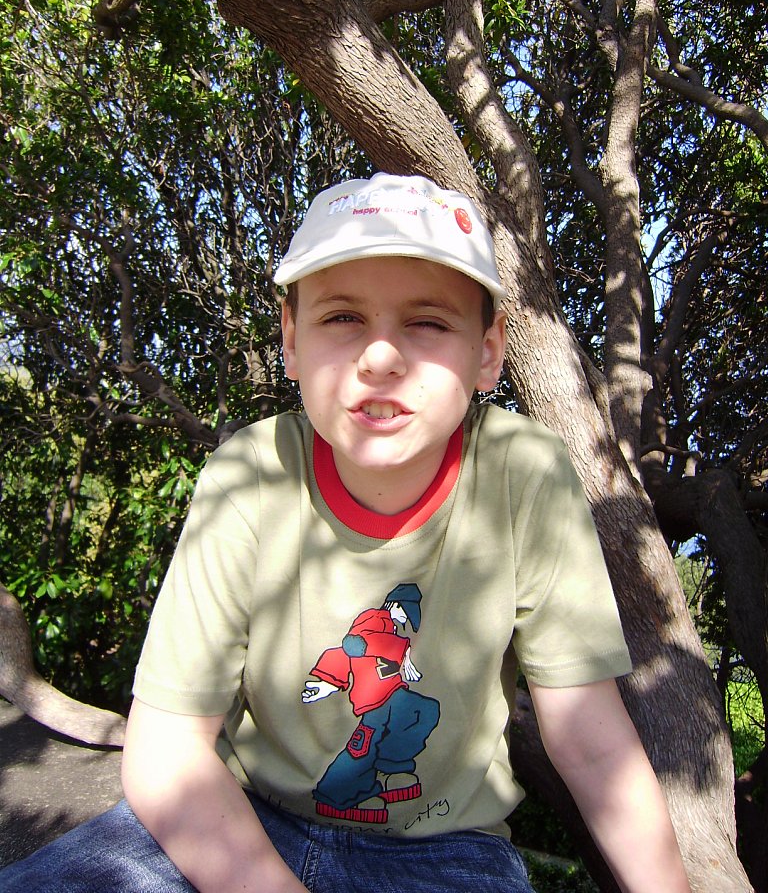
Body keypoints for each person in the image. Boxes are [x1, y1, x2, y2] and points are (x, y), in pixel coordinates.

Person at [0, 173, 691, 893]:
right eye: (341, 318)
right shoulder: (250, 474)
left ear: (488, 351)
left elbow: (590, 740)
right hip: (243, 817)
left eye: (429, 322)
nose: (380, 356)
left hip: (445, 853)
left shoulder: (525, 474)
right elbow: (168, 748)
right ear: (291, 340)